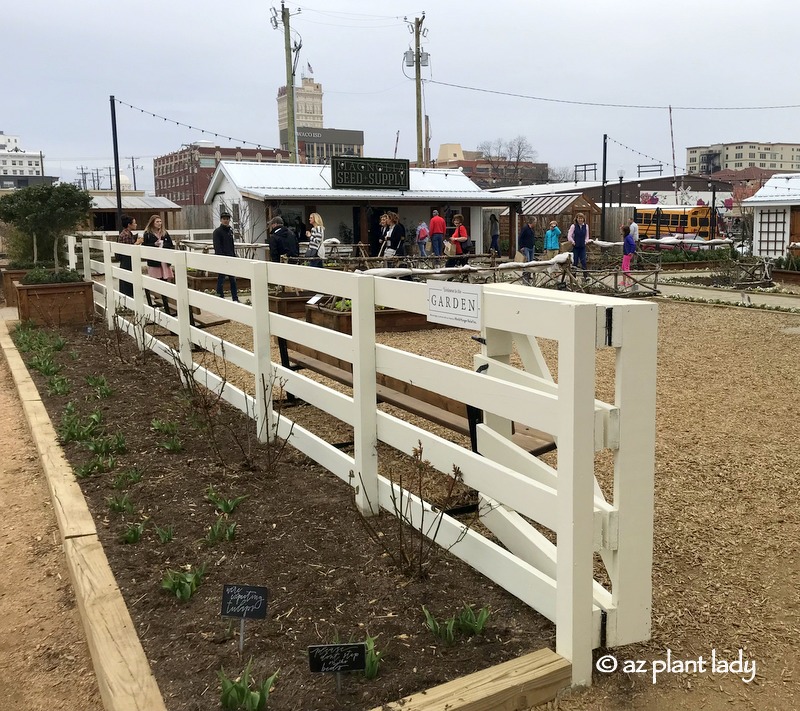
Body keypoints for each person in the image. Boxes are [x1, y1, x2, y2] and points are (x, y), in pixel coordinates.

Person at [142, 215, 175, 312]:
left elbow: (171, 245)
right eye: (157, 222)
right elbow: (144, 246)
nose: (159, 223)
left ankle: (166, 304)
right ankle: (159, 301)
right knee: (157, 282)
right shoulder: (147, 234)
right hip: (155, 262)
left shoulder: (165, 233)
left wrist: (164, 245)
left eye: (160, 221)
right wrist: (154, 245)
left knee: (165, 281)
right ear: (152, 222)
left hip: (164, 261)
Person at [212, 211, 239, 302]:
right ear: (221, 220)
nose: (226, 221)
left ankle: (235, 297)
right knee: (221, 278)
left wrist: (234, 256)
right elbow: (217, 247)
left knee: (233, 279)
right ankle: (220, 296)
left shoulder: (230, 231)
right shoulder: (217, 232)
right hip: (222, 258)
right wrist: (221, 258)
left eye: (227, 219)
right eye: (224, 219)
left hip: (230, 257)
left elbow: (232, 246)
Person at [116, 215, 143, 298]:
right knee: (127, 282)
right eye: (134, 223)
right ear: (129, 224)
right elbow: (127, 250)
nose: (136, 224)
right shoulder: (125, 235)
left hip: (126, 261)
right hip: (126, 261)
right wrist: (137, 242)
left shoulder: (127, 233)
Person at [567, 212, 590, 280]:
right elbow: (569, 236)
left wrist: (586, 241)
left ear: (583, 219)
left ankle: (585, 277)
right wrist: (572, 241)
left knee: (583, 261)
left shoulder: (586, 226)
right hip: (575, 247)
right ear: (576, 219)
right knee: (575, 262)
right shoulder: (573, 226)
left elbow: (587, 236)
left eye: (581, 218)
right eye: (579, 218)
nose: (580, 220)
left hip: (582, 246)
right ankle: (573, 278)